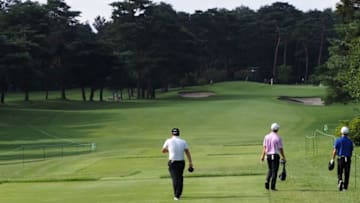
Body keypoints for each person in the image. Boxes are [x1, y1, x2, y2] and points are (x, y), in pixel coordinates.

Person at [162, 128, 193, 200]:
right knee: (179, 178)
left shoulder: (168, 141)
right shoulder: (183, 141)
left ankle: (177, 195)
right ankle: (178, 193)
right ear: (179, 133)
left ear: (172, 133)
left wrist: (169, 150)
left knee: (175, 178)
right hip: (181, 162)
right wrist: (190, 163)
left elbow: (163, 151)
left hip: (173, 162)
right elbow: (187, 152)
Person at [260, 123, 286, 191]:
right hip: (275, 155)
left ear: (271, 129)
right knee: (274, 171)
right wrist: (283, 157)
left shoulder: (266, 136)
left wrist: (262, 156)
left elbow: (264, 147)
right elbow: (281, 149)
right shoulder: (278, 137)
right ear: (277, 129)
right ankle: (272, 187)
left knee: (270, 169)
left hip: (268, 155)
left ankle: (267, 181)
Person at [331, 126, 354, 191]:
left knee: (340, 172)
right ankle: (345, 187)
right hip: (348, 159)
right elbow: (351, 151)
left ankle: (340, 180)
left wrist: (332, 159)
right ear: (347, 133)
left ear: (341, 132)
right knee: (347, 173)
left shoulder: (338, 140)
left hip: (340, 158)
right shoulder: (350, 141)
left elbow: (335, 150)